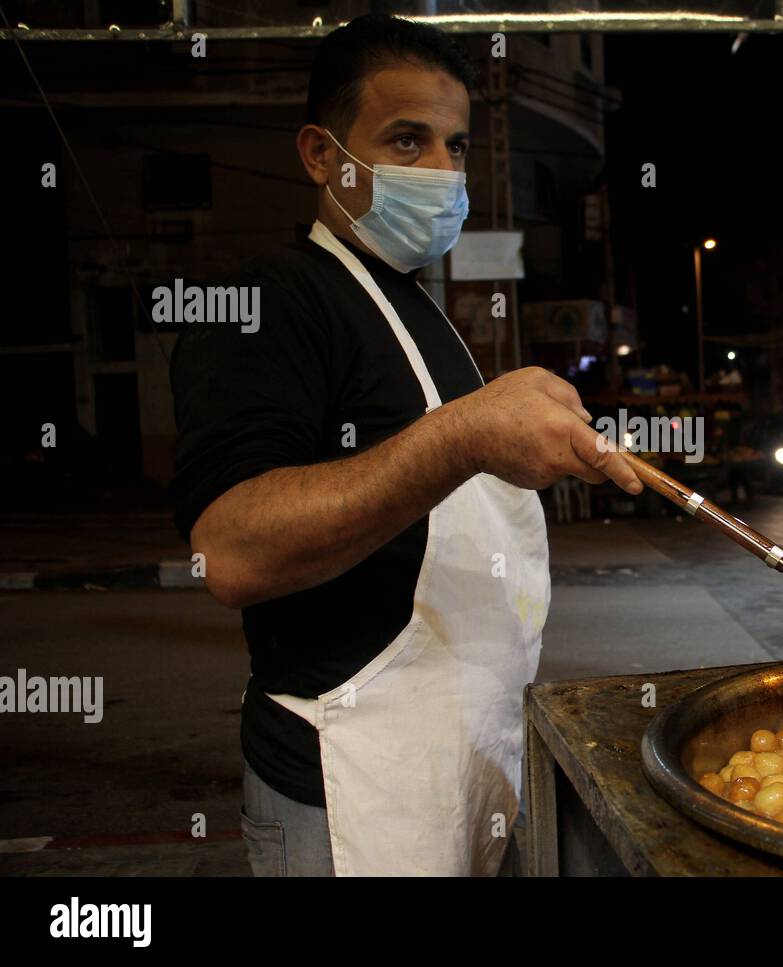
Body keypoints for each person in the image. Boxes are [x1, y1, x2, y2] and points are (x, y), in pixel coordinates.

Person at [168, 15, 641, 877]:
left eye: (455, 146)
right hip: (353, 793)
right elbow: (230, 550)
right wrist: (465, 432)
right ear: (321, 155)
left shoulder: (421, 313)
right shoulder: (266, 300)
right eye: (405, 140)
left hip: (464, 771)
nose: (441, 172)